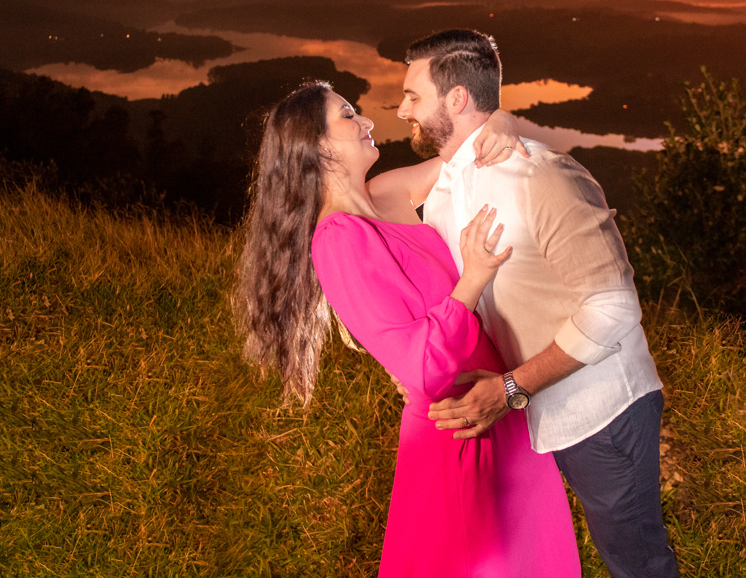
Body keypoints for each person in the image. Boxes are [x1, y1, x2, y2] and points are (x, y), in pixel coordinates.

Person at [237, 81, 582, 578]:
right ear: (316, 147)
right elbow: (419, 368)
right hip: (458, 432)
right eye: (348, 116)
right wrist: (475, 275)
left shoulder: (384, 196)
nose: (367, 122)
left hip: (502, 413)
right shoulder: (337, 239)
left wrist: (501, 120)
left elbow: (468, 154)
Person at [396, 30, 679, 578]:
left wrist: (509, 388)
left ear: (456, 99)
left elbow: (614, 308)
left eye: (413, 95)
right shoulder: (447, 187)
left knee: (635, 561)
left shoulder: (543, 177)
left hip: (602, 409)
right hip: (534, 411)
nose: (402, 107)